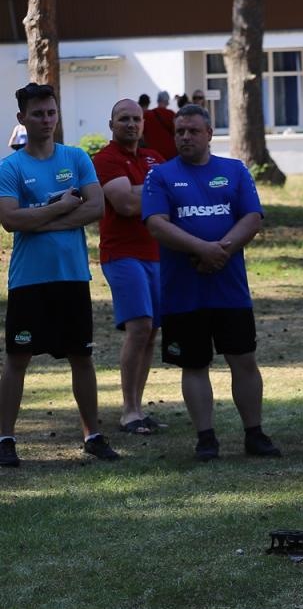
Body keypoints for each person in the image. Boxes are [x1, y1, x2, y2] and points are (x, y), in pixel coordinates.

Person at [143, 103, 278, 462]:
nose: (185, 137)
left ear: (209, 134)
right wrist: (203, 249)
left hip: (229, 288)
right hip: (183, 292)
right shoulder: (161, 176)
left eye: (192, 131)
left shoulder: (234, 171)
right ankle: (206, 439)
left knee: (243, 360)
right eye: (179, 131)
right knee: (194, 363)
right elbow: (156, 223)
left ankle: (255, 434)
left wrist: (221, 251)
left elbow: (252, 216)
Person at [0, 82, 116, 468]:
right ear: (22, 119)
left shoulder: (77, 158)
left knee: (81, 356)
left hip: (71, 277)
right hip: (28, 281)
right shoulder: (10, 167)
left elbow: (96, 207)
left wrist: (41, 219)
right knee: (17, 359)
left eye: (51, 112)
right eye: (38, 114)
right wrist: (63, 208)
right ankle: (6, 439)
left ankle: (93, 435)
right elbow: (10, 219)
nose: (47, 120)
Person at [93, 98, 165, 436]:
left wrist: (144, 192)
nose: (131, 124)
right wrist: (156, 189)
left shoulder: (155, 158)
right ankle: (128, 411)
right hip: (121, 254)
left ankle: (138, 407)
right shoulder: (105, 159)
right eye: (123, 119)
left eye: (136, 119)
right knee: (139, 327)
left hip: (157, 253)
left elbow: (172, 198)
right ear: (111, 124)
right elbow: (123, 204)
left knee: (151, 332)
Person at [144, 90, 177, 161]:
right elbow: (176, 133)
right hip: (170, 154)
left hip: (153, 155)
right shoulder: (171, 115)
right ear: (167, 101)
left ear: (158, 100)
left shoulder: (147, 115)